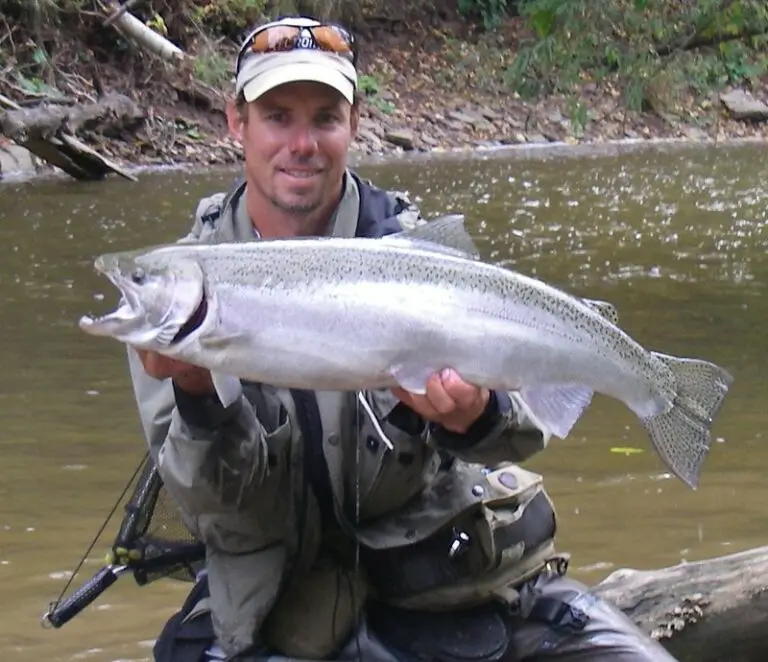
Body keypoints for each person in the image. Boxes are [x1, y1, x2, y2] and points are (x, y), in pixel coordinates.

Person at [126, 14, 678, 662]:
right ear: (235, 122)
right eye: (278, 116)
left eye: (325, 118)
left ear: (353, 124)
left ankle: (664, 395)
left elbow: (525, 434)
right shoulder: (186, 285)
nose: (302, 143)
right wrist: (195, 392)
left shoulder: (409, 247)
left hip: (439, 582)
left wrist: (478, 415)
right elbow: (216, 510)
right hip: (275, 605)